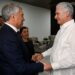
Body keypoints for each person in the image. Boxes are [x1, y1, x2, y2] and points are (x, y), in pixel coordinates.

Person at [0, 3, 50, 75]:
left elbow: (17, 54)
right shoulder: (7, 37)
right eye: (22, 15)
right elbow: (20, 68)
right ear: (13, 17)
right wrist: (43, 66)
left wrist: (30, 57)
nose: (24, 18)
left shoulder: (13, 32)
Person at [32, 2, 75, 75]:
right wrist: (42, 55)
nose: (55, 17)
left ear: (67, 13)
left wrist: (52, 66)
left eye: (57, 13)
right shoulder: (60, 30)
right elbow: (55, 48)